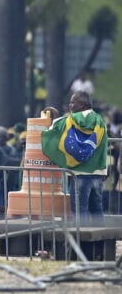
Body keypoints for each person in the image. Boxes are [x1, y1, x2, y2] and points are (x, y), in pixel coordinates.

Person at [41, 90, 107, 225]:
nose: (70, 105)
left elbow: (54, 128)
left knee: (79, 211)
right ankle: (100, 238)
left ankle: (81, 238)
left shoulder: (71, 120)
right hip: (98, 173)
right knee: (97, 211)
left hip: (79, 174)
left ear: (82, 105)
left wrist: (52, 116)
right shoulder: (100, 122)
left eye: (73, 102)